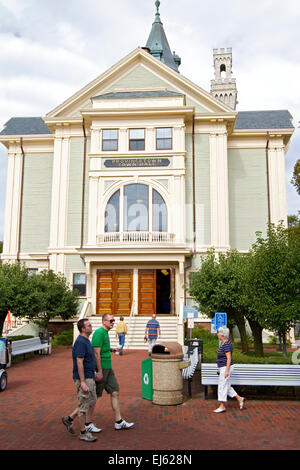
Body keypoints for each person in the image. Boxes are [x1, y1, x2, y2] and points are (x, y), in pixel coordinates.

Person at [91, 313, 134, 430]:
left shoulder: (105, 333)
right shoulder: (99, 333)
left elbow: (102, 349)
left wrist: (112, 349)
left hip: (108, 368)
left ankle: (118, 421)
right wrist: (99, 371)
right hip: (102, 368)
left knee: (114, 392)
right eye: (111, 321)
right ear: (104, 321)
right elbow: (96, 353)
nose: (113, 323)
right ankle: (83, 421)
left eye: (113, 321)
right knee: (93, 396)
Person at [62, 318, 100, 442]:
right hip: (84, 379)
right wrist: (83, 381)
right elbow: (79, 361)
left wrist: (93, 371)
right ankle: (83, 432)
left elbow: (88, 359)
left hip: (90, 375)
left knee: (91, 400)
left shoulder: (86, 341)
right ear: (83, 329)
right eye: (89, 325)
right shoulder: (80, 342)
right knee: (83, 406)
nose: (91, 326)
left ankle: (69, 419)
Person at [214, 326, 246, 413]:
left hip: (226, 367)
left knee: (222, 386)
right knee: (227, 386)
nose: (217, 334)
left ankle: (222, 406)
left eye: (218, 332)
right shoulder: (222, 343)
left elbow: (229, 358)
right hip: (223, 367)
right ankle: (240, 399)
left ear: (222, 334)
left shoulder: (227, 344)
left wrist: (226, 371)